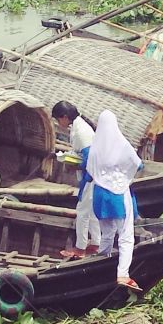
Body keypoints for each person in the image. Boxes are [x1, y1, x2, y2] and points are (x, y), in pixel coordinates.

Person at [87, 110, 143, 292]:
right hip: (118, 194)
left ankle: (102, 259)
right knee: (126, 236)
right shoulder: (122, 144)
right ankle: (123, 274)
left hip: (100, 195)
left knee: (108, 232)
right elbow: (138, 164)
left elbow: (89, 170)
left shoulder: (95, 146)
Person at [51, 101, 101, 259]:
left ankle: (80, 248)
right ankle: (96, 242)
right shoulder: (80, 127)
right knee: (91, 211)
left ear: (65, 117)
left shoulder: (81, 131)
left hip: (91, 176)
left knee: (82, 211)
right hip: (93, 176)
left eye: (59, 120)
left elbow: (89, 158)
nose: (59, 124)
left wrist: (75, 166)